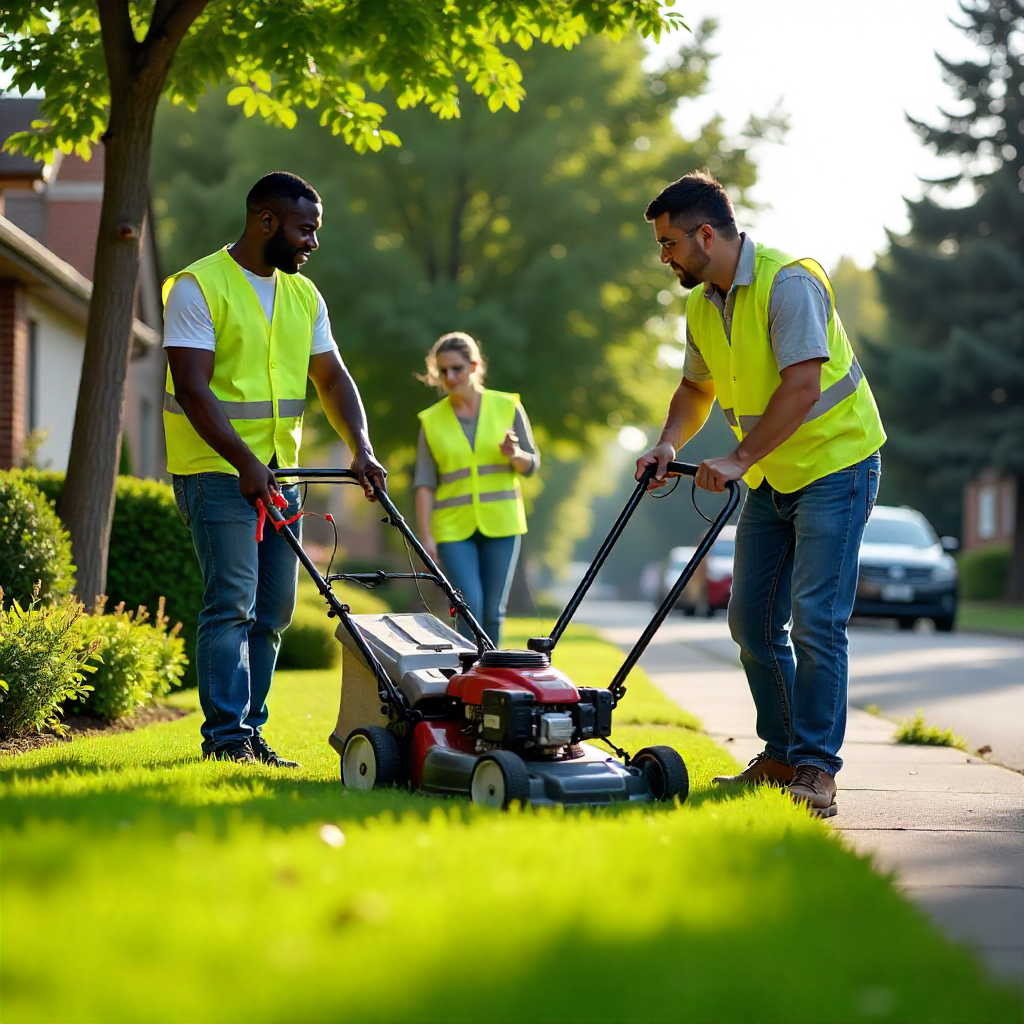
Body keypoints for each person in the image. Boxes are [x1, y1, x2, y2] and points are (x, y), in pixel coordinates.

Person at [637, 171, 885, 818]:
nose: (664, 257)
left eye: (668, 244)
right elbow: (696, 389)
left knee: (817, 621)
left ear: (706, 235)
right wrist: (668, 443)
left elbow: (803, 387)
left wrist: (739, 458)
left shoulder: (788, 283)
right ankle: (780, 755)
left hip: (836, 465)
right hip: (774, 475)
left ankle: (816, 768)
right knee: (750, 620)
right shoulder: (702, 304)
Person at [163, 171, 386, 765]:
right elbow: (192, 389)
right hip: (215, 470)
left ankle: (251, 732)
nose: (313, 242)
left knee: (273, 612)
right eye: (304, 229)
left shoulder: (304, 296)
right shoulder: (197, 286)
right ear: (267, 222)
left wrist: (361, 446)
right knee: (231, 604)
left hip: (279, 475)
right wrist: (244, 461)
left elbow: (331, 378)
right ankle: (226, 739)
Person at [413, 333, 539, 647]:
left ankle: (490, 672)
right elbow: (425, 483)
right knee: (468, 606)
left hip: (502, 522)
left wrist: (515, 455)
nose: (450, 377)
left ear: (474, 366)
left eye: (456, 369)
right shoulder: (431, 421)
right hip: (452, 528)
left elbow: (532, 464)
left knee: (493, 612)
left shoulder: (507, 406)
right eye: (443, 371)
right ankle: (467, 672)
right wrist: (425, 536)